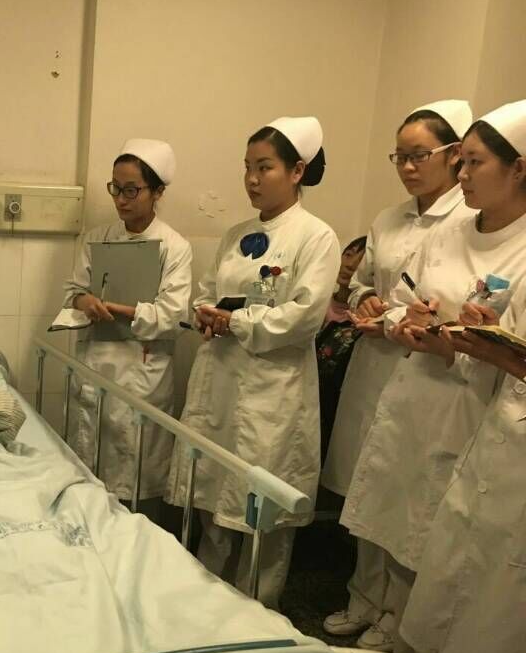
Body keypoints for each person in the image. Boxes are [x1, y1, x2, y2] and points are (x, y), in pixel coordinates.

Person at [340, 99, 526, 653]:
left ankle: (405, 630)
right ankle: (373, 606)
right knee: (390, 504)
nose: (461, 175)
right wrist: (407, 320)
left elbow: (514, 351)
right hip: (413, 388)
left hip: (467, 408)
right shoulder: (451, 231)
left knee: (430, 525)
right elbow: (405, 297)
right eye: (461, 161)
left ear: (518, 169)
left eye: (474, 163)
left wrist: (460, 345)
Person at [166, 116, 340, 609]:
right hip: (219, 380)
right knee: (213, 496)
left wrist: (237, 322)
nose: (252, 179)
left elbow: (305, 316)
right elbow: (208, 292)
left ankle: (258, 612)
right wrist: (204, 314)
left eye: (265, 167)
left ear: (297, 171)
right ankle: (206, 603)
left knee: (263, 509)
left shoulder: (316, 237)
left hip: (273, 391)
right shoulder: (235, 234)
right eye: (247, 167)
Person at [320, 100, 474, 651]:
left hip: (424, 373)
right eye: (400, 157)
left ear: (454, 154)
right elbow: (362, 280)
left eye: (419, 155)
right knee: (368, 486)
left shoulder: (466, 221)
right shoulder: (388, 218)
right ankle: (363, 596)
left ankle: (396, 613)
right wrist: (365, 299)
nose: (407, 167)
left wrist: (389, 314)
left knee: (407, 497)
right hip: (374, 366)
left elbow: (438, 304)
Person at [394, 286, 526, 653]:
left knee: (495, 641)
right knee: (448, 605)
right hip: (491, 454)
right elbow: (498, 374)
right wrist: (485, 339)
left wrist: (514, 363)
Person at [63, 139, 192, 520]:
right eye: (116, 188)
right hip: (96, 365)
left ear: (158, 192)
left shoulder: (174, 246)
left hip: (142, 371)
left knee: (137, 466)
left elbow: (174, 314)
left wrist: (124, 310)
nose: (121, 199)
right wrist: (84, 301)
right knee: (91, 460)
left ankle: (139, 535)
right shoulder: (96, 238)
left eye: (132, 190)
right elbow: (73, 291)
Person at [316, 235, 366, 462]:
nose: (350, 265)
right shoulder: (318, 301)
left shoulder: (363, 321)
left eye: (361, 260)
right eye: (348, 255)